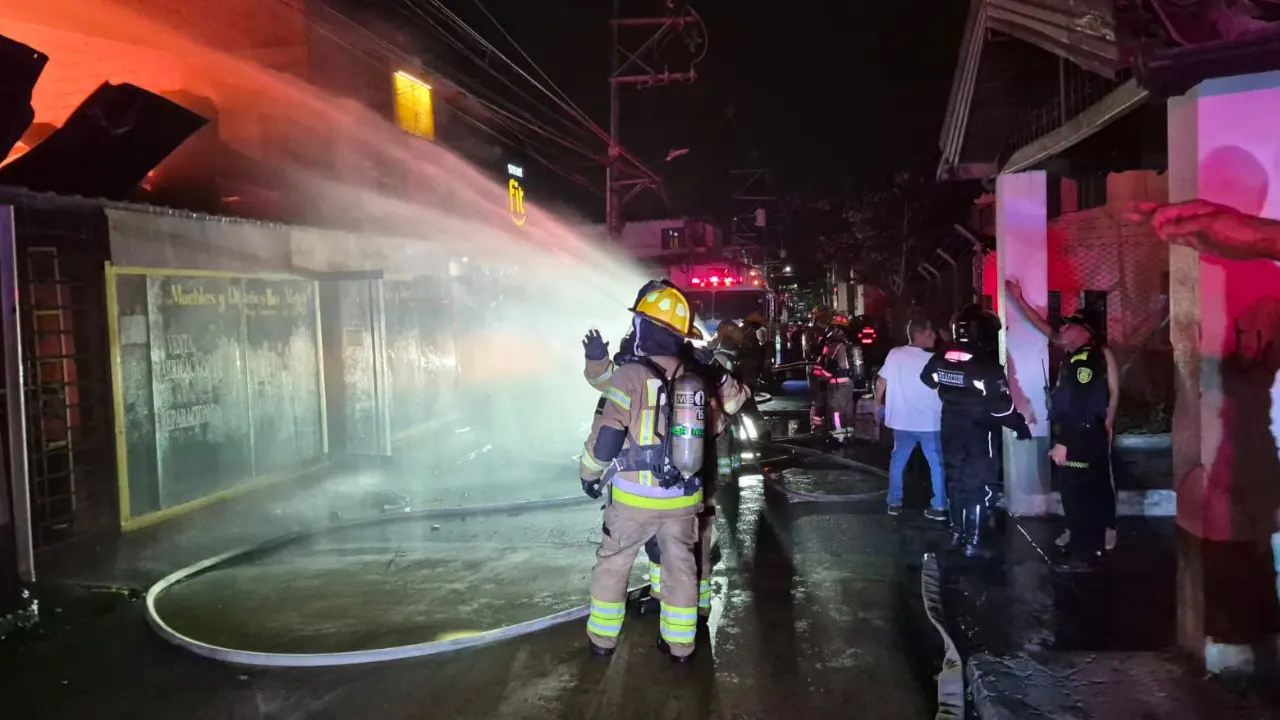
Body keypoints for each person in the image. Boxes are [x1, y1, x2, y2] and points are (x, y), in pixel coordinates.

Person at [580, 283, 749, 663]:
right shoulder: (696, 375)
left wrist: (589, 474)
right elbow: (732, 407)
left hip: (633, 500)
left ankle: (602, 642)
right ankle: (681, 648)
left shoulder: (630, 373)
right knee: (681, 569)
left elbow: (607, 437)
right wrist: (716, 371)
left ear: (646, 327)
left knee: (613, 564)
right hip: (684, 498)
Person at [1004, 280, 1120, 554]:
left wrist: (1109, 421)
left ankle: (1107, 528)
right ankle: (1074, 528)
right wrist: (1019, 300)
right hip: (1072, 426)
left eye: (1070, 326)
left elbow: (1114, 390)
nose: (1062, 330)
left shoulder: (1101, 355)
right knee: (1071, 481)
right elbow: (1042, 326)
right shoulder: (1072, 350)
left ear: (1084, 332)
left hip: (1093, 426)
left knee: (1099, 481)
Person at [921, 304, 1032, 557]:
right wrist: (1019, 425)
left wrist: (953, 387)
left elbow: (927, 379)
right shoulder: (986, 364)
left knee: (956, 481)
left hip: (950, 427)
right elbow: (1001, 407)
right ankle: (974, 543)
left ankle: (957, 535)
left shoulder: (943, 356)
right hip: (979, 432)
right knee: (979, 485)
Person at [874, 315, 946, 520]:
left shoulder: (895, 355)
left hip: (902, 421)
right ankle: (939, 505)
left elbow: (881, 382)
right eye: (930, 332)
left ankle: (894, 502)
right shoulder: (935, 359)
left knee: (898, 462)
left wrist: (877, 404)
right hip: (930, 423)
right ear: (920, 334)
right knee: (936, 465)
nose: (934, 336)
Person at [813, 314, 858, 443]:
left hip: (837, 385)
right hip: (848, 384)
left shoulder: (836, 344)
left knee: (836, 412)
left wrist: (822, 380)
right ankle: (848, 437)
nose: (829, 330)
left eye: (832, 327)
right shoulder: (847, 343)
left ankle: (838, 437)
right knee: (848, 411)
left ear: (837, 328)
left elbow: (830, 366)